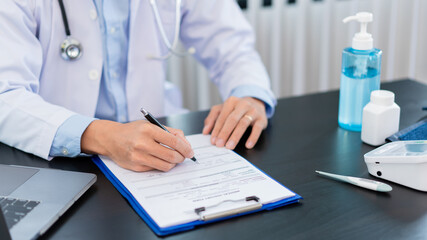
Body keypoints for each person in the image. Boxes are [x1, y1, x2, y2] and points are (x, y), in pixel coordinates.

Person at [0, 0, 276, 172]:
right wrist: (104, 136)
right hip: (61, 162)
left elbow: (232, 47)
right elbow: (5, 96)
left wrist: (250, 94)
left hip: (159, 159)